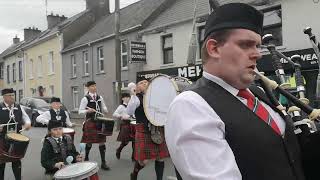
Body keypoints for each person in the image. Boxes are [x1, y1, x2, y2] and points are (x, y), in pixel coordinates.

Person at [165, 3, 305, 180]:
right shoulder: (190, 106)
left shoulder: (259, 93)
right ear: (214, 49)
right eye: (246, 45)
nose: (258, 54)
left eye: (257, 46)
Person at [127, 80, 169, 180]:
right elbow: (129, 111)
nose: (145, 84)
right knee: (143, 161)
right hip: (144, 130)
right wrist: (133, 95)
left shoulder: (155, 97)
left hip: (157, 130)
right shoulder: (137, 99)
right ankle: (134, 174)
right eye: (141, 83)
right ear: (137, 87)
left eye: (146, 82)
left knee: (160, 158)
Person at [0, 88, 31, 180]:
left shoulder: (19, 106)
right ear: (4, 97)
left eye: (13, 95)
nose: (12, 97)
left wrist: (28, 123)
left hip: (17, 138)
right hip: (2, 137)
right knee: (1, 162)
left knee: (16, 160)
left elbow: (26, 118)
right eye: (10, 95)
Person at [78, 81, 110, 170]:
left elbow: (103, 107)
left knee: (102, 141)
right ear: (88, 88)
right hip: (90, 122)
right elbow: (80, 111)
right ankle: (87, 158)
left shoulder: (100, 97)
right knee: (89, 141)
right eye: (92, 86)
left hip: (100, 122)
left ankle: (103, 162)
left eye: (95, 86)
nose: (94, 87)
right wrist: (87, 111)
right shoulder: (85, 98)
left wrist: (105, 110)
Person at [113, 93, 135, 160]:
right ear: (122, 98)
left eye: (128, 97)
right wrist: (122, 116)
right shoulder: (121, 106)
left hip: (133, 124)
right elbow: (114, 114)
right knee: (125, 142)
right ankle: (119, 150)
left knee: (135, 141)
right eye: (126, 97)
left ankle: (134, 156)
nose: (128, 98)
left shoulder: (132, 106)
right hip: (125, 124)